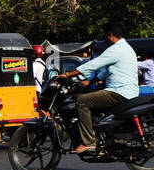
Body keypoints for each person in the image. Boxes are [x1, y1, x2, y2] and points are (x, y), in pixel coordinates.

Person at [58, 24, 139, 155]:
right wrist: (90, 81)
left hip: (118, 91)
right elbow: (109, 70)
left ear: (110, 35)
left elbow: (94, 64)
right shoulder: (126, 48)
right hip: (126, 91)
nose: (104, 39)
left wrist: (67, 74)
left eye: (105, 36)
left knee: (82, 101)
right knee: (91, 97)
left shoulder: (116, 49)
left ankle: (89, 142)